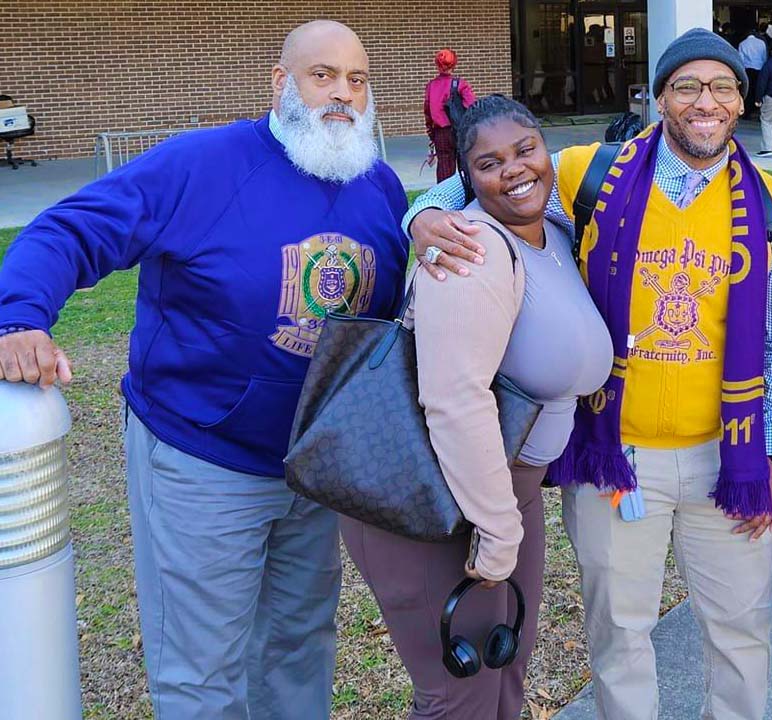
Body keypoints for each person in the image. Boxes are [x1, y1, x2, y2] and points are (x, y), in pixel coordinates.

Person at [0, 20, 409, 718]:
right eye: (322, 76)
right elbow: (72, 229)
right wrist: (19, 316)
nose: (342, 94)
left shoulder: (378, 187)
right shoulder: (200, 165)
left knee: (299, 643)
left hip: (313, 467)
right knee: (202, 670)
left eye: (357, 79)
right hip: (202, 461)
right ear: (281, 83)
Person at [407, 28, 772, 720]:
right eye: (687, 86)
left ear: (741, 99)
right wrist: (423, 216)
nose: (705, 102)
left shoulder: (768, 201)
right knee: (620, 637)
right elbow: (484, 175)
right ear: (659, 100)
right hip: (618, 458)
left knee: (742, 635)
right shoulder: (593, 171)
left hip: (726, 459)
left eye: (722, 86)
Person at [341, 95, 612, 720]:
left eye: (525, 150)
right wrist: (497, 530)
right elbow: (454, 400)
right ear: (466, 177)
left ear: (549, 151)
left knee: (503, 676)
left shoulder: (557, 231)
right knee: (457, 697)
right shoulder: (471, 251)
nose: (514, 170)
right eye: (488, 163)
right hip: (443, 497)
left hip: (509, 489)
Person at [424, 48, 477, 183]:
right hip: (460, 131)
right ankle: (467, 195)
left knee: (444, 170)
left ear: (437, 65)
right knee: (465, 167)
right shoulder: (460, 84)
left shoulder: (431, 86)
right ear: (454, 64)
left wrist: (432, 135)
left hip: (441, 132)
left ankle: (444, 198)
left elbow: (428, 113)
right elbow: (472, 107)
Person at [739, 23, 769, 113]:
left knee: (749, 90)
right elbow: (764, 57)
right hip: (760, 69)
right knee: (759, 88)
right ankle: (758, 108)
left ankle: (748, 110)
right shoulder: (761, 42)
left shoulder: (742, 44)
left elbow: (741, 59)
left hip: (748, 70)